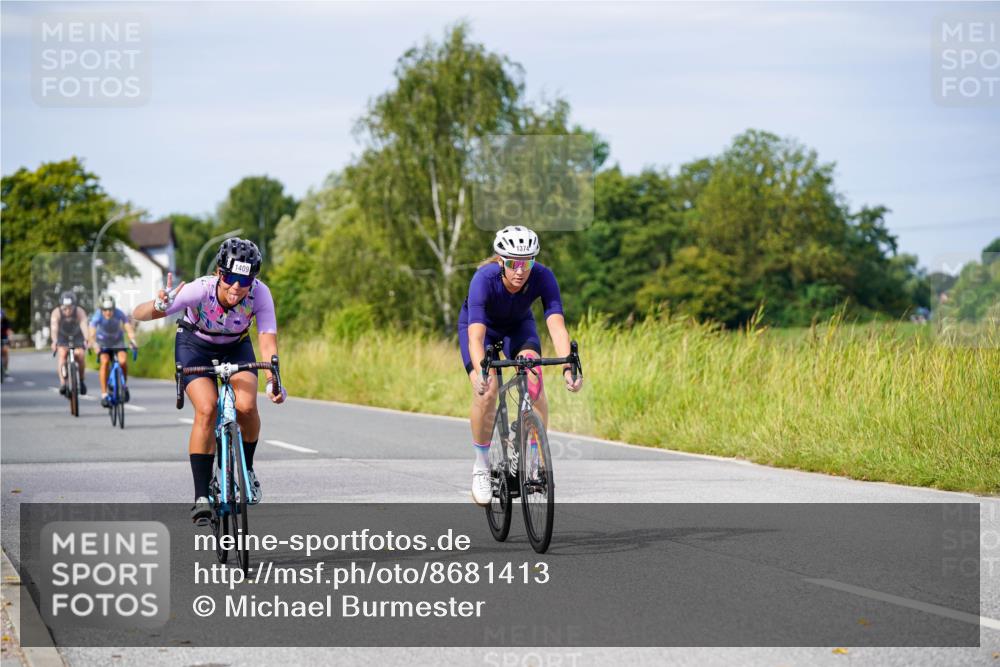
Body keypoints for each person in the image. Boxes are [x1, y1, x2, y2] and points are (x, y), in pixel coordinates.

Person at [132, 239, 286, 524]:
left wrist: (271, 379)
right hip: (195, 345)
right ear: (219, 273)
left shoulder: (260, 294)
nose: (237, 287)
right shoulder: (199, 290)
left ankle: (247, 470)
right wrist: (158, 304)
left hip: (236, 346)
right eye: (230, 278)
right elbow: (138, 314)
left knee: (248, 407)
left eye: (245, 280)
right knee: (207, 408)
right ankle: (201, 495)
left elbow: (266, 338)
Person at [458, 226, 583, 506]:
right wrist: (480, 372)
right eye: (513, 263)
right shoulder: (483, 279)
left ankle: (535, 457)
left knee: (534, 379)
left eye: (527, 262)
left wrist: (568, 369)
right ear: (500, 261)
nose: (520, 270)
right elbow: (475, 337)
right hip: (483, 330)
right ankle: (481, 464)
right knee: (488, 391)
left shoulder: (543, 276)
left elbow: (557, 327)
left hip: (518, 327)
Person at [88, 294, 138, 407]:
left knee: (123, 362)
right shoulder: (97, 315)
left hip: (117, 342)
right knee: (105, 362)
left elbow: (128, 327)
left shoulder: (119, 313)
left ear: (114, 308)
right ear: (101, 309)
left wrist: (133, 340)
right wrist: (94, 344)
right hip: (103, 343)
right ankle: (104, 394)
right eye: (105, 310)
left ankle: (124, 387)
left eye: (110, 309)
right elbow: (91, 332)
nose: (108, 312)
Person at [50, 292, 89, 396]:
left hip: (77, 337)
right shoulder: (56, 312)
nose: (67, 311)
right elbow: (54, 329)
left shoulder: (79, 311)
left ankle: (81, 380)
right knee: (62, 355)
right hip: (62, 337)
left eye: (70, 308)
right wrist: (54, 341)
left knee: (80, 355)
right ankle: (63, 383)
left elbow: (84, 325)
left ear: (74, 306)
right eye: (65, 308)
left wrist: (86, 339)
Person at [1, 308, 11, 380]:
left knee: (5, 351)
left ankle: (6, 368)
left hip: (4, 337)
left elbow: (8, 331)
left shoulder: (6, 321)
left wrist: (9, 338)